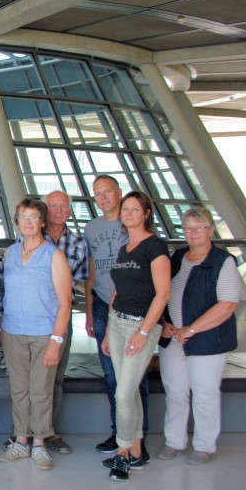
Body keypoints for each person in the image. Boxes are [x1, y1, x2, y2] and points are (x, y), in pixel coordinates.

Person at [157, 207, 241, 465]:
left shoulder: (222, 261)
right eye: (188, 228)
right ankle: (174, 442)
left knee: (204, 393)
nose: (192, 232)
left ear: (210, 230)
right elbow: (161, 293)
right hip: (173, 338)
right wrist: (165, 323)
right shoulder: (177, 257)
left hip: (208, 340)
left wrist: (191, 330)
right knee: (175, 391)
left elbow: (227, 305)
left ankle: (204, 446)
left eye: (198, 227)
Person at [0, 199, 72, 470]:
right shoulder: (10, 254)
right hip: (14, 331)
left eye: (32, 217)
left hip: (44, 334)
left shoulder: (54, 255)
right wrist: (2, 330)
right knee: (19, 390)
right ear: (17, 222)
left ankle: (39, 443)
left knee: (40, 390)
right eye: (22, 217)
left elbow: (65, 303)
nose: (27, 222)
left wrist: (56, 340)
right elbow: (6, 295)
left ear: (42, 221)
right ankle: (20, 441)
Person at [100, 191, 170, 481]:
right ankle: (137, 449)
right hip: (117, 324)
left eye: (134, 209)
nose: (128, 213)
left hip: (140, 327)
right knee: (128, 390)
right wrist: (108, 330)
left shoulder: (155, 247)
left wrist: (143, 332)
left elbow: (163, 293)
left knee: (124, 393)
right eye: (125, 209)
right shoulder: (125, 248)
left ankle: (122, 453)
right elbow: (119, 289)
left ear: (146, 213)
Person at [84, 175, 148, 454]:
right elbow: (91, 272)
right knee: (111, 375)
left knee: (134, 378)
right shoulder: (91, 227)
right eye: (97, 193)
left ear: (119, 192)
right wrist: (88, 312)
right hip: (101, 305)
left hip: (133, 309)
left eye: (107, 191)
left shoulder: (133, 226)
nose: (103, 197)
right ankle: (119, 432)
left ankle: (137, 440)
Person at [40, 190, 87, 454]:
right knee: (31, 377)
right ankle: (22, 431)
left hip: (61, 317)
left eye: (63, 206)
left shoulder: (78, 244)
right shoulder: (31, 237)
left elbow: (78, 283)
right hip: (33, 317)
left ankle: (48, 432)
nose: (58, 210)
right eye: (52, 205)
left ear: (69, 211)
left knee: (56, 377)